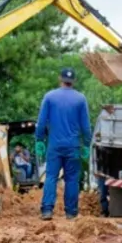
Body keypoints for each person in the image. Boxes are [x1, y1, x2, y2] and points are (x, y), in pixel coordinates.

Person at [34, 68, 92, 220]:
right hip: (73, 146)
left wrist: (39, 140)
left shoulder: (49, 97)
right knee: (72, 179)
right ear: (74, 81)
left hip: (54, 146)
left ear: (60, 79)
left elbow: (41, 123)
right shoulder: (80, 99)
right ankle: (71, 213)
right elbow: (86, 126)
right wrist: (86, 144)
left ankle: (47, 210)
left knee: (51, 177)